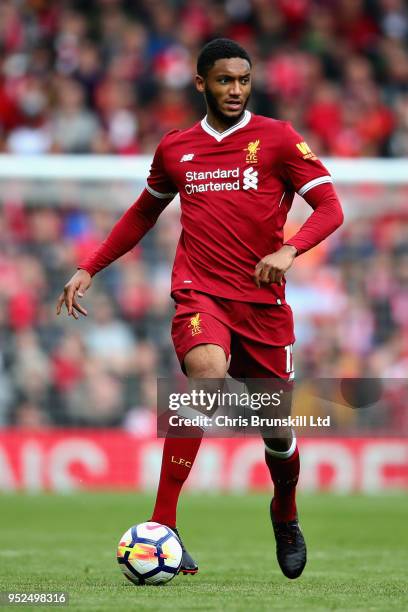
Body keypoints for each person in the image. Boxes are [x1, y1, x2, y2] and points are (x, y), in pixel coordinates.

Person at [57, 38, 344, 580]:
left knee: (277, 432)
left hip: (262, 304)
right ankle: (163, 524)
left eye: (242, 80)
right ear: (201, 84)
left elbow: (331, 207)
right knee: (206, 380)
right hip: (201, 292)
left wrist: (289, 248)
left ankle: (285, 511)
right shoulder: (176, 148)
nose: (235, 89)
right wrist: (90, 266)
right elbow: (143, 213)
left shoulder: (278, 139)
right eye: (223, 80)